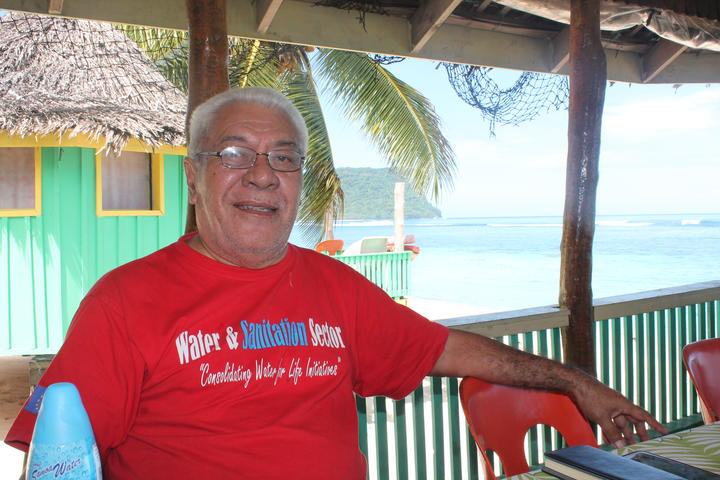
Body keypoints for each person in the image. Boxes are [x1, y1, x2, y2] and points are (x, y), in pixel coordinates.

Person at [5, 87, 666, 479]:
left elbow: (445, 350)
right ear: (193, 176)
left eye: (285, 159)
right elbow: (58, 457)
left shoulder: (335, 288)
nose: (263, 175)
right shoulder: (124, 302)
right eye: (235, 154)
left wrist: (576, 382)